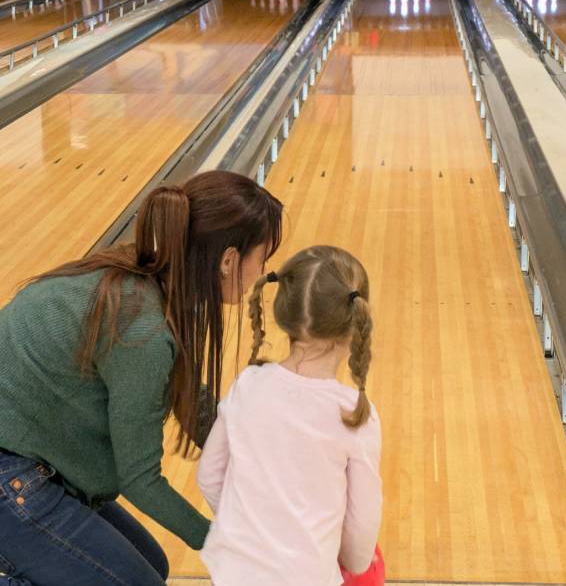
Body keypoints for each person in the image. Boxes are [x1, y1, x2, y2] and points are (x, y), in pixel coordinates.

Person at [0, 172, 284, 585]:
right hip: (12, 474)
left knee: (154, 566)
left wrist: (262, 468)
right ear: (228, 260)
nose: (263, 271)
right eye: (263, 257)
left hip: (36, 461)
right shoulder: (143, 329)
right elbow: (141, 479)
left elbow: (188, 397)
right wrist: (225, 542)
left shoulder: (157, 276)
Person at [197, 245, 383, 585]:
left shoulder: (248, 384)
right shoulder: (356, 415)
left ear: (284, 313)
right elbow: (358, 550)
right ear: (356, 323)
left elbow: (209, 476)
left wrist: (253, 533)